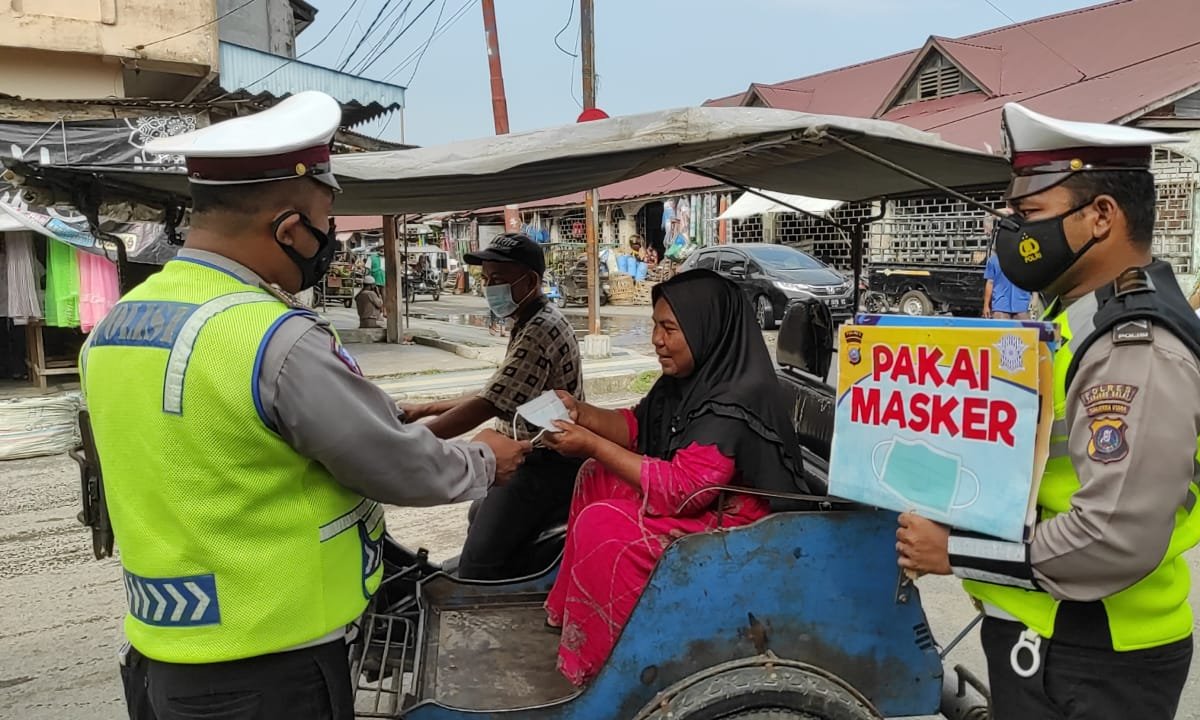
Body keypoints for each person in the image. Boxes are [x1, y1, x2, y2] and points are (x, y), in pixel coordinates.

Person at [80, 91, 531, 720]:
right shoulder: (272, 337)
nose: (329, 244)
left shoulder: (114, 326)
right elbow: (393, 464)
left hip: (163, 656)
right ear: (289, 228)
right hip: (271, 667)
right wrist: (485, 460)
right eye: (326, 225)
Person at [895, 103, 1200, 720]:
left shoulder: (1139, 345)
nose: (1013, 235)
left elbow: (1110, 537)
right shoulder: (1072, 317)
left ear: (1101, 216)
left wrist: (955, 552)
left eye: (1029, 216)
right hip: (1046, 634)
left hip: (1095, 652)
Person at [541, 269, 807, 686]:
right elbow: (637, 428)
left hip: (740, 523)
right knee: (594, 476)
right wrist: (580, 413)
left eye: (669, 328)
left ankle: (611, 667)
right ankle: (573, 618)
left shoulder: (738, 394)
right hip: (704, 494)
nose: (656, 340)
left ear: (706, 329)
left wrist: (591, 443)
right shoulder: (686, 380)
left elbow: (684, 491)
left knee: (604, 524)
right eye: (654, 326)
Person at [400, 233, 585, 580]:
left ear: (530, 281)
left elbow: (486, 406)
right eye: (485, 281)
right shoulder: (533, 319)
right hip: (532, 451)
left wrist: (413, 441)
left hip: (543, 461)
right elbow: (500, 391)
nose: (489, 289)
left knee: (476, 566)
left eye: (497, 281)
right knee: (476, 514)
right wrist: (423, 409)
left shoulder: (538, 330)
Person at [982, 210, 1033, 319]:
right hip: (1000, 306)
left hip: (1021, 305)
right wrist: (986, 305)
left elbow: (1033, 279)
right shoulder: (994, 260)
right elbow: (990, 283)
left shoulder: (1025, 258)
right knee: (999, 335)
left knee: (1023, 334)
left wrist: (1034, 300)